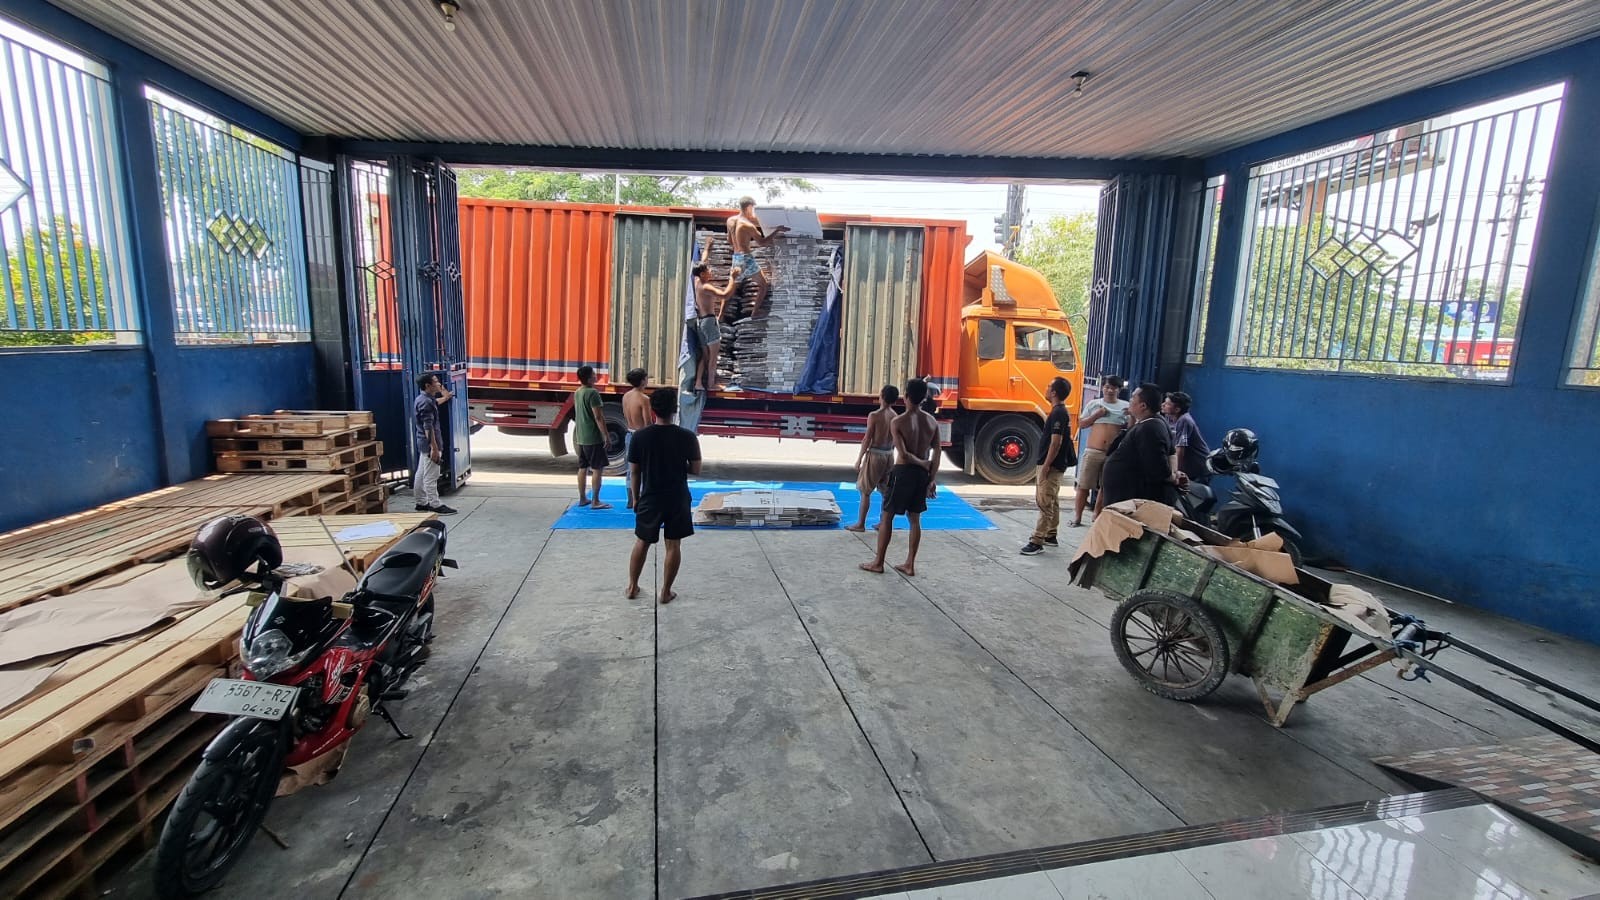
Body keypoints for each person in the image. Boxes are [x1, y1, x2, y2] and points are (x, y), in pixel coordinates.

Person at [625, 387, 702, 605]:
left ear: (653, 410)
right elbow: (696, 469)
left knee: (642, 541)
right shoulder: (687, 437)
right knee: (673, 544)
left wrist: (636, 498)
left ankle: (632, 587)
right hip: (677, 497)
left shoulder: (640, 437)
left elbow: (635, 472)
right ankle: (666, 592)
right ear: (675, 410)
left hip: (650, 496)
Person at [860, 378, 940, 577]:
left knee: (887, 516)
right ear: (924, 398)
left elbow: (903, 454)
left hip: (903, 472)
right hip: (922, 476)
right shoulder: (932, 422)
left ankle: (878, 562)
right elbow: (937, 452)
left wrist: (921, 464)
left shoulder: (898, 422)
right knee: (915, 519)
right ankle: (910, 564)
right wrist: (931, 478)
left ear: (906, 396)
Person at [1100, 382, 1186, 508]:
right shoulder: (1151, 422)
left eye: (1133, 397)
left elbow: (1159, 468)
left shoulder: (1150, 428)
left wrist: (1172, 476)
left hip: (1133, 501)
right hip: (1124, 498)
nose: (1130, 400)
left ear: (1143, 406)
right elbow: (1172, 453)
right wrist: (1174, 473)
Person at [1020, 377, 1077, 555]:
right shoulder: (1059, 412)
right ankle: (1051, 534)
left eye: (1048, 386)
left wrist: (1046, 465)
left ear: (1054, 392)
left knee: (1044, 503)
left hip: (1051, 465)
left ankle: (1037, 541)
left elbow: (1056, 442)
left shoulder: (1058, 413)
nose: (1045, 389)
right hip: (1055, 464)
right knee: (1052, 500)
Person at [1071, 375, 1128, 527]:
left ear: (1119, 390)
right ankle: (1077, 517)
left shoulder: (1125, 407)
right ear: (1102, 388)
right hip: (1093, 451)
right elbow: (1082, 424)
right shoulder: (1094, 404)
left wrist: (1130, 417)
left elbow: (1130, 428)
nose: (1110, 390)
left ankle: (1096, 516)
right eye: (1107, 387)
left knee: (1105, 486)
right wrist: (1097, 415)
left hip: (1112, 454)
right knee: (1083, 485)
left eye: (1113, 388)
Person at [846, 384, 900, 533]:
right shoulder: (895, 416)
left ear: (881, 396)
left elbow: (867, 438)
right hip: (889, 454)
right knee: (885, 492)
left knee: (865, 491)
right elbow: (896, 440)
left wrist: (859, 458)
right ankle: (883, 522)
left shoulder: (875, 415)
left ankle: (860, 523)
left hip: (876, 455)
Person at [726, 196, 789, 317]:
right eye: (753, 208)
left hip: (736, 257)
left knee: (732, 287)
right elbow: (762, 242)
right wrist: (777, 230)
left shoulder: (730, 220)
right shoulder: (747, 225)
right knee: (763, 285)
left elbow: (729, 240)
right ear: (749, 207)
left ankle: (720, 315)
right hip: (746, 258)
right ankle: (754, 312)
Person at [411, 372, 458, 515]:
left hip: (423, 443)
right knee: (431, 476)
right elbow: (428, 427)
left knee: (421, 473)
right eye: (436, 382)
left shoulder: (423, 399)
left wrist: (446, 397)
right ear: (428, 385)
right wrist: (434, 448)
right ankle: (435, 504)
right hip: (430, 443)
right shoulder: (426, 402)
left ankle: (421, 502)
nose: (439, 384)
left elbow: (435, 403)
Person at [690, 263, 740, 392]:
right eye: (708, 270)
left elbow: (703, 260)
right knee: (713, 356)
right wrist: (733, 278)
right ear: (702, 274)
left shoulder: (697, 282)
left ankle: (698, 382)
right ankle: (711, 385)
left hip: (701, 322)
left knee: (705, 355)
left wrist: (706, 251)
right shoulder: (706, 287)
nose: (711, 271)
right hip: (709, 322)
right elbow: (725, 295)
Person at [572, 364, 611, 510]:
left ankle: (582, 498)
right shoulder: (593, 393)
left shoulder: (578, 392)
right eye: (593, 374)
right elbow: (598, 417)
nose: (596, 376)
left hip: (581, 437)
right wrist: (606, 435)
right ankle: (595, 501)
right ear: (589, 379)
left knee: (583, 467)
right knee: (597, 469)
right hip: (593, 437)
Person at [1162, 391, 1212, 485]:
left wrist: (1176, 473)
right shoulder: (1168, 417)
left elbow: (1180, 450)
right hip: (1189, 468)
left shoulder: (1184, 420)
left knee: (1194, 492)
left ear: (1177, 409)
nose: (1163, 405)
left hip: (1198, 468)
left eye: (1168, 404)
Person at [621, 368, 651, 509]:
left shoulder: (626, 396)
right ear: (643, 380)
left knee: (631, 468)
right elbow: (648, 422)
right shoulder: (644, 399)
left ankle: (630, 498)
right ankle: (642, 497)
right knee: (644, 468)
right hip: (642, 436)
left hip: (629, 433)